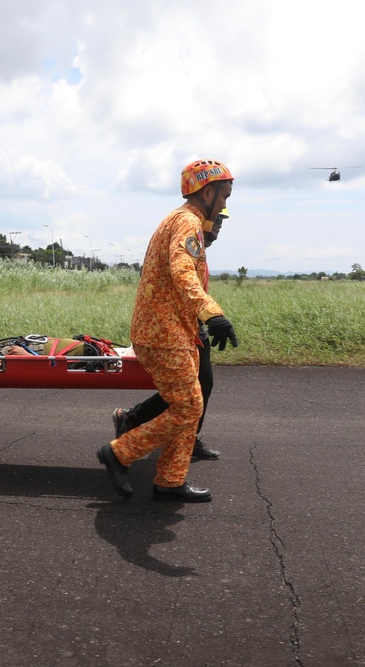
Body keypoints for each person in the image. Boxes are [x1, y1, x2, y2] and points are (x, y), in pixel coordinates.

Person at [96, 159, 238, 503]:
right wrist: (211, 313)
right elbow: (181, 271)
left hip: (177, 331)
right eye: (224, 196)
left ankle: (171, 481)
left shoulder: (183, 221)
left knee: (189, 403)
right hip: (164, 333)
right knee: (189, 406)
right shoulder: (187, 222)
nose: (224, 204)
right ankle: (120, 452)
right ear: (207, 191)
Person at [110, 208, 230, 461]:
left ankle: (183, 439)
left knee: (199, 386)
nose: (220, 224)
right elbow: (183, 276)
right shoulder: (186, 231)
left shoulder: (199, 245)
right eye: (218, 218)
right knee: (187, 393)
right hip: (174, 328)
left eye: (223, 220)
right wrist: (211, 313)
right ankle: (130, 425)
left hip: (194, 325)